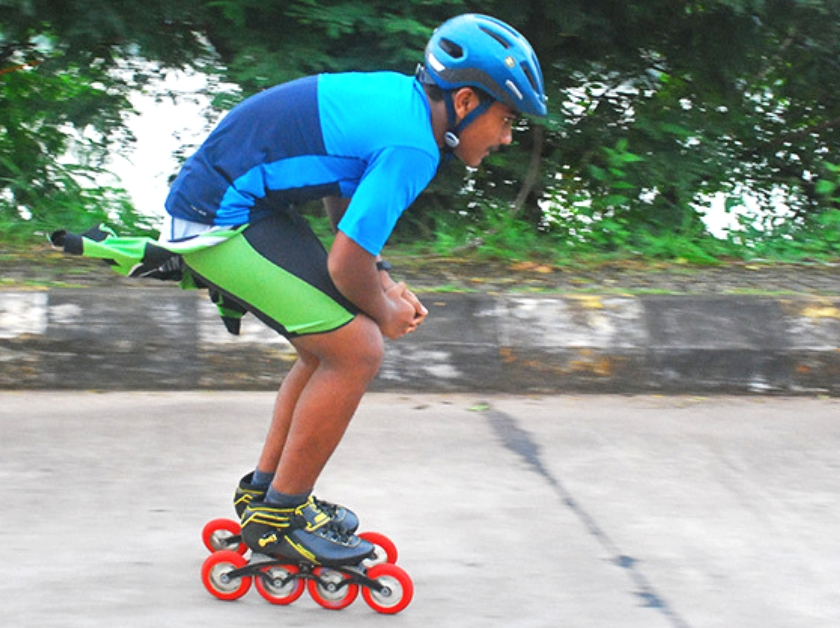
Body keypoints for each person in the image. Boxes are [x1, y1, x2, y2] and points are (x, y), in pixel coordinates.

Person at [52, 13, 547, 566]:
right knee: (357, 350)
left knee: (327, 346)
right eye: (506, 119)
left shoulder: (403, 106)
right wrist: (383, 309)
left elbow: (346, 205)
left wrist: (380, 279)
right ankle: (279, 520)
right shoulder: (416, 148)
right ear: (464, 103)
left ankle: (268, 496)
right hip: (220, 219)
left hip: (239, 204)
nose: (506, 137)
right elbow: (344, 264)